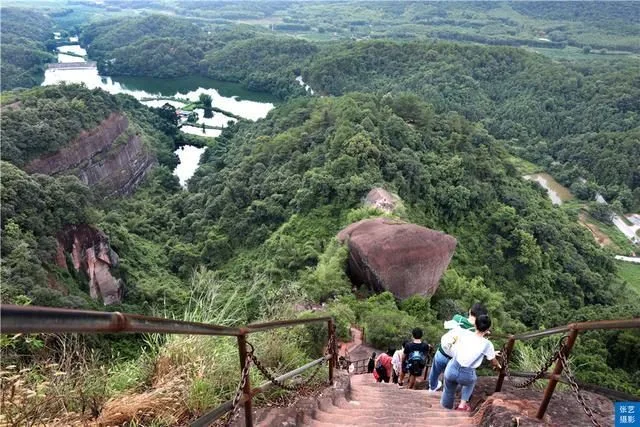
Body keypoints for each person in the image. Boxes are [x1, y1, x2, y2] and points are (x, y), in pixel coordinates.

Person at [441, 314, 501, 412]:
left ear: (475, 325)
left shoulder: (464, 333)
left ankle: (445, 410)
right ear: (488, 329)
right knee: (471, 382)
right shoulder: (487, 344)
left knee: (448, 390)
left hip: (452, 368)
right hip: (467, 375)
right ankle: (462, 405)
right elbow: (493, 361)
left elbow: (469, 347)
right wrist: (498, 366)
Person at [429, 303, 487, 392]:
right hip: (456, 360)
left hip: (443, 352)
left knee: (435, 371)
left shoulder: (457, 318)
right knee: (450, 378)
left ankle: (432, 387)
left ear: (470, 311)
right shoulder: (479, 331)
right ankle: (445, 395)